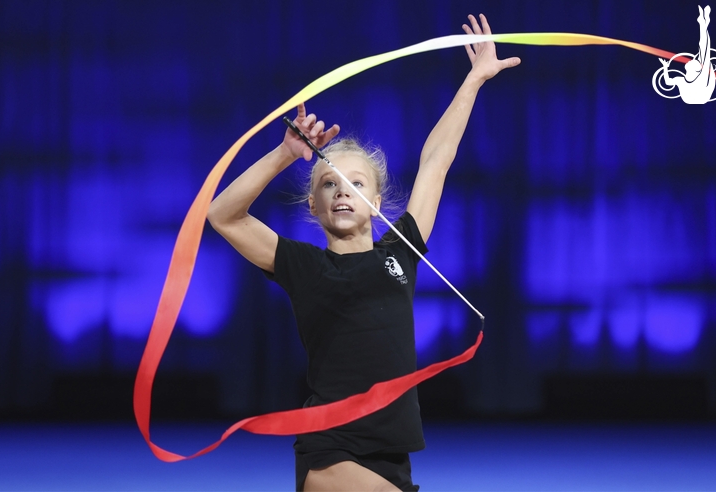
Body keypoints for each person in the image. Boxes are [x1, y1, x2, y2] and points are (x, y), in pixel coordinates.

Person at [207, 13, 520, 492]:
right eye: (329, 183)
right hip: (331, 449)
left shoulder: (402, 252)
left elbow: (437, 159)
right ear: (313, 207)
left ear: (376, 202)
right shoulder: (304, 266)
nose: (341, 191)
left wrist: (474, 81)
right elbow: (223, 215)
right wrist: (288, 154)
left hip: (393, 452)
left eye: (356, 183)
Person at [658, 5, 715, 104]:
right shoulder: (689, 79)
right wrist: (665, 67)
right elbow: (668, 82)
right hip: (698, 97)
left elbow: (668, 82)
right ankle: (703, 24)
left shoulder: (686, 79)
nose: (692, 60)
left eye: (693, 61)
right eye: (694, 61)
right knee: (704, 52)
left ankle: (703, 24)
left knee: (704, 50)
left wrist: (665, 68)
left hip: (700, 96)